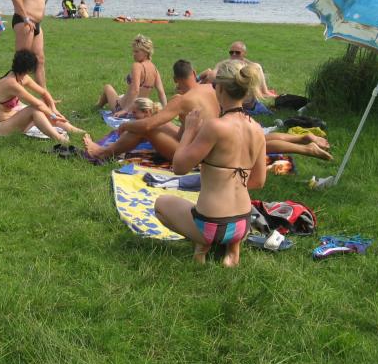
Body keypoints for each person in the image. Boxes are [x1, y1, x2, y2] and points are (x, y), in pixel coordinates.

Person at [153, 59, 267, 267]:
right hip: (243, 223)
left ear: (220, 88)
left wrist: (189, 131)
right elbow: (258, 181)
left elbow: (179, 167)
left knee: (160, 204)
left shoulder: (215, 127)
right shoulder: (258, 129)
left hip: (211, 224)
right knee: (224, 214)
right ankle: (232, 251)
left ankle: (202, 242)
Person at [85, 59, 217, 161]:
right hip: (211, 150)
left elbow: (148, 125)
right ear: (194, 73)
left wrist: (125, 125)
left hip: (193, 157)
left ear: (175, 80)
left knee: (144, 128)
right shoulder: (210, 88)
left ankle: (102, 153)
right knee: (160, 122)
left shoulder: (182, 100)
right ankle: (113, 148)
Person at [0, 49, 85, 143]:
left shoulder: (22, 77)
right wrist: (52, 115)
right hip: (0, 128)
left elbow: (44, 93)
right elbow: (37, 104)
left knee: (44, 103)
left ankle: (73, 130)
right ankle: (60, 139)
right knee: (34, 109)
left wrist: (53, 108)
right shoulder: (11, 83)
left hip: (14, 121)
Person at [96, 35, 168, 116]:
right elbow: (161, 92)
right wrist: (166, 111)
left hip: (125, 108)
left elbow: (135, 90)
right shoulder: (154, 68)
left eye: (137, 52)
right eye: (133, 51)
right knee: (121, 96)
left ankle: (97, 106)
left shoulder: (137, 66)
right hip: (141, 110)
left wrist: (125, 110)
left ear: (146, 52)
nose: (133, 54)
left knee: (107, 87)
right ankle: (99, 105)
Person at [10, 0, 50, 87]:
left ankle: (45, 96)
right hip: (25, 22)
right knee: (22, 61)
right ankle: (12, 94)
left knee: (39, 59)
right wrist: (26, 17)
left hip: (36, 24)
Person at [198, 41, 276, 98]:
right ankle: (197, 80)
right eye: (231, 52)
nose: (234, 54)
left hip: (239, 91)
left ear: (244, 53)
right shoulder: (223, 63)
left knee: (257, 66)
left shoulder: (250, 65)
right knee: (208, 73)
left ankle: (265, 92)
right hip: (223, 89)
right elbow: (212, 76)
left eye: (237, 52)